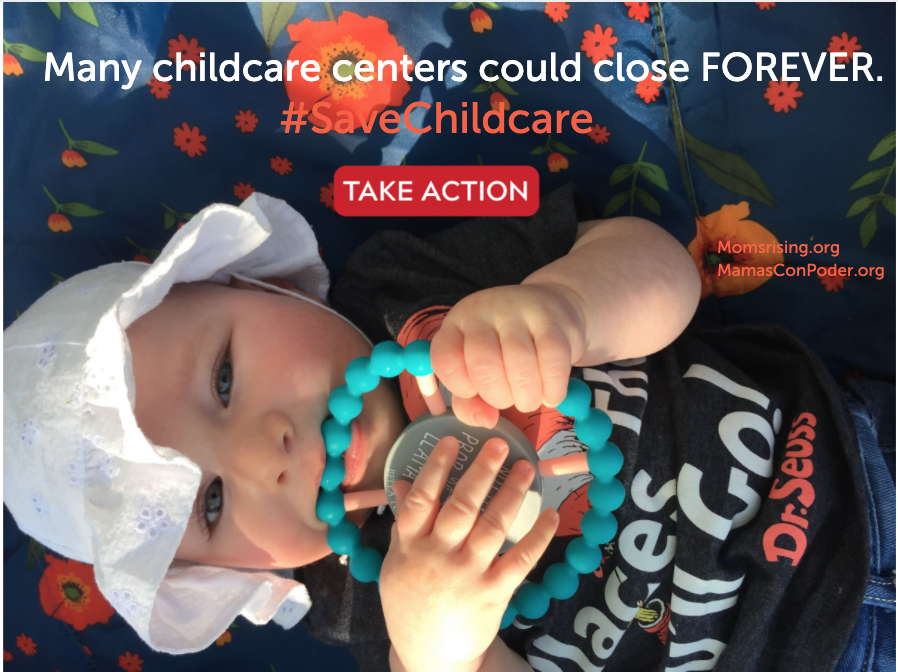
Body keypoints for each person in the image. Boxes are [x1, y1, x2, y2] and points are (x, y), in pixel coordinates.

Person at [3, 188, 890, 671]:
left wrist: (565, 307)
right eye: (212, 504)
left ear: (255, 285)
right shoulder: (373, 608)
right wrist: (445, 651)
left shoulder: (411, 287)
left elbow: (668, 265)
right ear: (237, 575)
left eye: (225, 378)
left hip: (851, 457)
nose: (268, 451)